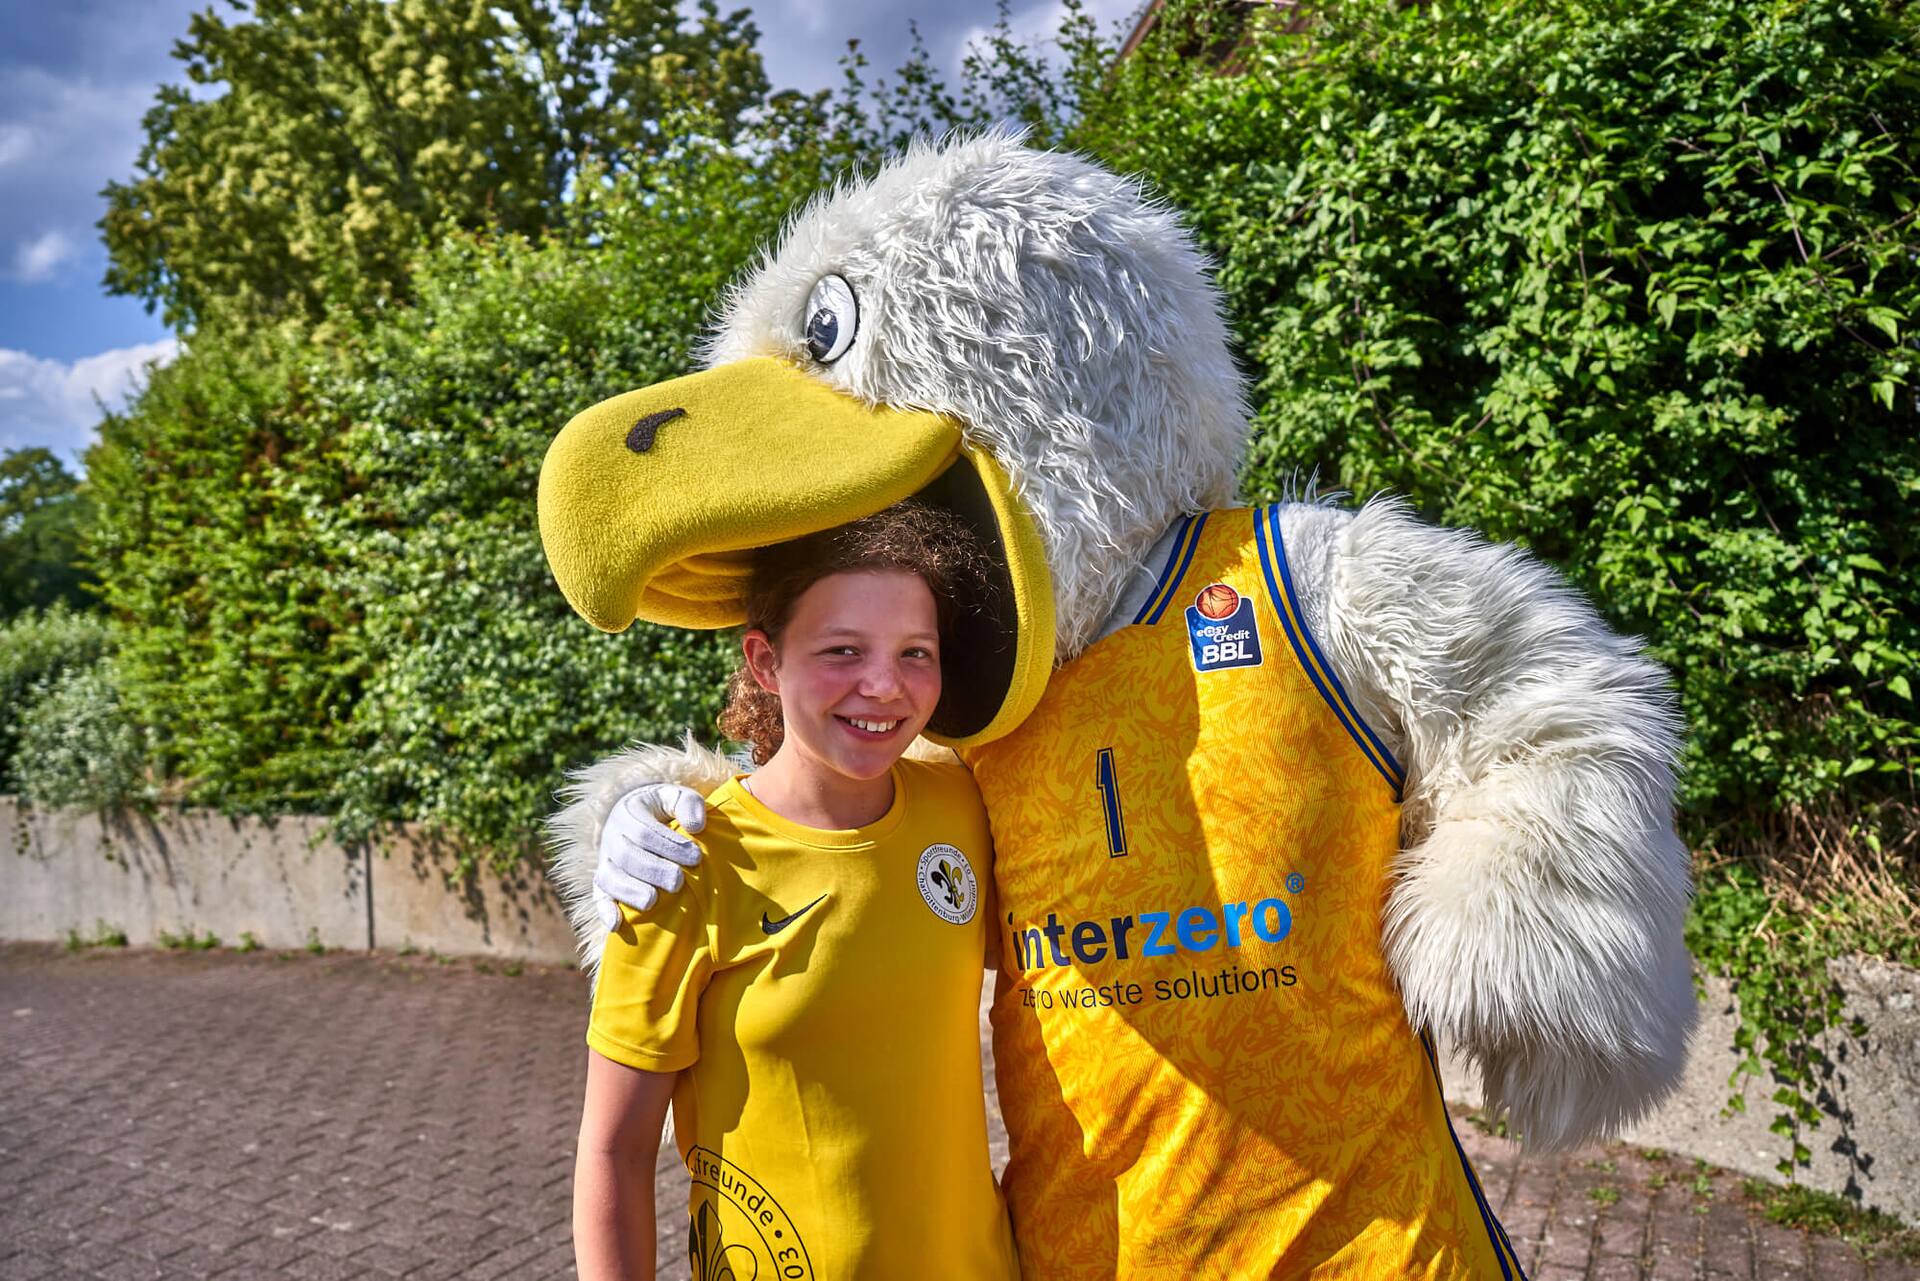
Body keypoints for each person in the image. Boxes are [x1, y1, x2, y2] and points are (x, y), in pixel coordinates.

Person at [570, 501, 1019, 1281]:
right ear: (764, 661)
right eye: (843, 649)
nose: (884, 685)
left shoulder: (964, 807)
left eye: (917, 651)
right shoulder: (680, 861)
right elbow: (615, 1148)